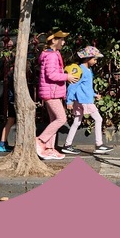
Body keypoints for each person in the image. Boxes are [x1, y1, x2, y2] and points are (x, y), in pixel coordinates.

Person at [60, 46, 114, 155]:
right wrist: (69, 101)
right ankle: (99, 144)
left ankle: (67, 145)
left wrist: (94, 94)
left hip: (82, 100)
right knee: (98, 119)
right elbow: (72, 86)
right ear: (87, 58)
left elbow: (86, 87)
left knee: (77, 122)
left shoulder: (87, 70)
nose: (96, 61)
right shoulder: (80, 70)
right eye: (94, 59)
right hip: (85, 101)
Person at [35, 30, 80, 160]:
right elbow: (51, 75)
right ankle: (40, 140)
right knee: (61, 119)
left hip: (52, 91)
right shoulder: (51, 56)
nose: (63, 42)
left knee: (54, 120)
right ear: (54, 41)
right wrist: (67, 77)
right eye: (61, 39)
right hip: (51, 92)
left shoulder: (53, 54)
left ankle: (49, 149)